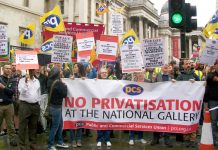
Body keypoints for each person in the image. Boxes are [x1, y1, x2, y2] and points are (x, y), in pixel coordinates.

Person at [176, 59, 199, 148]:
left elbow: (201, 84)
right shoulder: (181, 76)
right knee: (185, 120)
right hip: (184, 102)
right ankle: (186, 139)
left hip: (193, 102)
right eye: (186, 64)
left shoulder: (194, 74)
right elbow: (176, 85)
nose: (188, 65)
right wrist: (174, 82)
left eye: (189, 63)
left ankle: (192, 140)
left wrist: (196, 82)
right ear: (183, 66)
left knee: (192, 119)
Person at [18, 69, 41, 149]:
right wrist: (26, 81)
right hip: (25, 105)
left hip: (35, 105)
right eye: (30, 70)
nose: (32, 71)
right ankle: (22, 145)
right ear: (27, 71)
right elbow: (22, 92)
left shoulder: (37, 81)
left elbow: (38, 93)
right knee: (22, 126)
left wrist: (39, 103)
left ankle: (32, 143)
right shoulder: (22, 80)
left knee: (33, 126)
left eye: (33, 70)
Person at [151, 64, 173, 147]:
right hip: (158, 102)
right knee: (156, 119)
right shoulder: (157, 76)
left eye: (167, 66)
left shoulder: (171, 76)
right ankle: (155, 138)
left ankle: (167, 139)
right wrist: (153, 79)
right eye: (164, 66)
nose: (166, 67)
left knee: (167, 120)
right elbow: (152, 86)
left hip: (167, 102)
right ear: (161, 68)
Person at [47, 67, 69, 150]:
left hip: (53, 106)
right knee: (55, 126)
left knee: (60, 125)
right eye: (60, 71)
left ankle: (60, 142)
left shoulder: (50, 81)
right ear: (57, 73)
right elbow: (64, 94)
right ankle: (50, 145)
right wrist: (65, 86)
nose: (61, 72)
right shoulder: (59, 83)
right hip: (57, 107)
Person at [0, 64, 17, 146]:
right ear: (3, 69)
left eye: (10, 68)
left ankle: (12, 139)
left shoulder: (13, 80)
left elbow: (12, 92)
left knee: (10, 124)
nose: (8, 69)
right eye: (6, 68)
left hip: (9, 105)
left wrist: (3, 87)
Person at [70, 63, 86, 147]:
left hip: (81, 104)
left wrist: (85, 81)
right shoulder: (71, 76)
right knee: (73, 121)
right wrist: (70, 80)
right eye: (74, 67)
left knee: (80, 122)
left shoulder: (84, 77)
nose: (74, 68)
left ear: (79, 68)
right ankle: (73, 140)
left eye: (76, 67)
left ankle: (79, 139)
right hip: (72, 103)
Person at [129, 71, 147, 146]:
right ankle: (131, 138)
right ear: (137, 75)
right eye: (139, 74)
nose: (141, 75)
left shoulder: (148, 83)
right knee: (132, 122)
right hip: (133, 106)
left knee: (141, 122)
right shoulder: (132, 83)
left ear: (144, 75)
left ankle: (141, 137)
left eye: (142, 74)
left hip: (143, 106)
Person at [96, 67, 112, 147]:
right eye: (102, 72)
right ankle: (99, 139)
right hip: (99, 106)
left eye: (105, 72)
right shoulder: (95, 82)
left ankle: (107, 139)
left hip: (108, 106)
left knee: (108, 123)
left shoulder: (112, 82)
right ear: (100, 74)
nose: (104, 73)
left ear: (108, 73)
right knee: (99, 122)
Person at [204, 59, 218, 146]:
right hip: (213, 101)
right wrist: (206, 103)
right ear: (215, 66)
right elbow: (208, 78)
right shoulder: (211, 75)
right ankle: (214, 140)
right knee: (213, 122)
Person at [34, 66, 48, 132]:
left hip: (43, 95)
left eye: (39, 68)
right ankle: (36, 127)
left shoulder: (44, 77)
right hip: (34, 96)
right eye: (37, 68)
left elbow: (47, 86)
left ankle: (44, 127)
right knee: (35, 112)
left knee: (43, 111)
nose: (38, 69)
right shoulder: (32, 77)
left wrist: (45, 93)